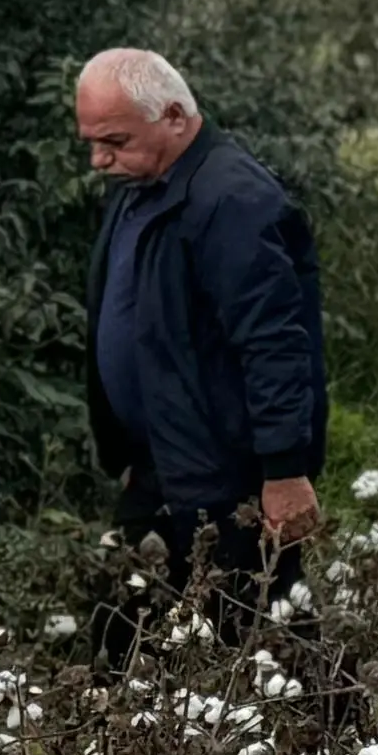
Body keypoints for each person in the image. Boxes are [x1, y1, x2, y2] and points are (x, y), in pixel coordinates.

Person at [75, 48, 327, 627]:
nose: (98, 159)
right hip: (160, 461)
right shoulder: (141, 187)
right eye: (91, 141)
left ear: (172, 116)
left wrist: (285, 473)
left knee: (265, 638)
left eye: (113, 140)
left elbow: (276, 343)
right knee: (129, 627)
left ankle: (352, 720)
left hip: (226, 473)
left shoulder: (233, 199)